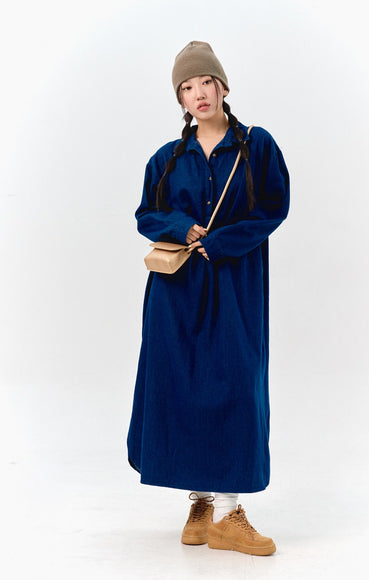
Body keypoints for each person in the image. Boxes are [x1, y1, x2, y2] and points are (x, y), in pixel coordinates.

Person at [127, 40, 290, 556]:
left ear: (222, 87)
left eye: (206, 82)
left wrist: (220, 242)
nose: (198, 92)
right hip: (175, 292)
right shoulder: (166, 158)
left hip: (235, 285)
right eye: (187, 86)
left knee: (236, 384)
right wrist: (181, 226)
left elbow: (273, 207)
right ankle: (201, 509)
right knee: (181, 386)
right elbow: (145, 215)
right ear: (180, 98)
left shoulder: (256, 146)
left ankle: (228, 510)